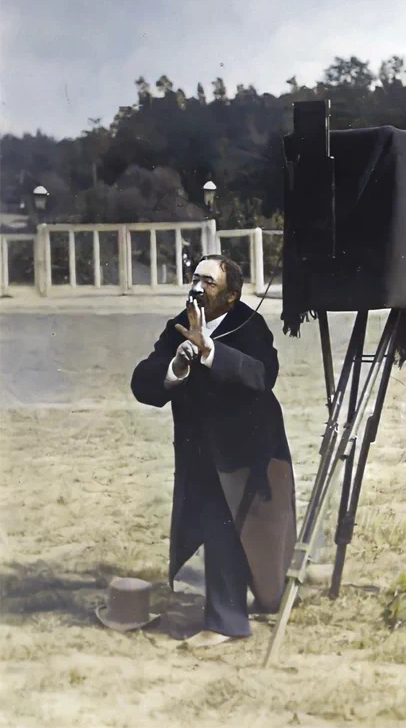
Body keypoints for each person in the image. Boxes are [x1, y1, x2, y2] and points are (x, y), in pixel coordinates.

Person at [131, 254, 296, 647]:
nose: (197, 287)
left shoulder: (249, 325)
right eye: (194, 278)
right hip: (201, 450)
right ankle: (225, 619)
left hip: (249, 450)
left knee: (251, 532)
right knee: (213, 526)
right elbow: (142, 382)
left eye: (208, 282)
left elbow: (262, 375)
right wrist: (175, 368)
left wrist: (209, 351)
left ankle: (232, 617)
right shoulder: (179, 327)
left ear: (231, 297)